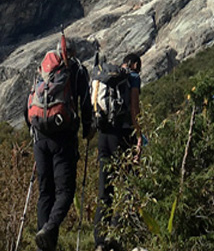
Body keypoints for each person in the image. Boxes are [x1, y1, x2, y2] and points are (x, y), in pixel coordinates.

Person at [26, 38, 93, 251]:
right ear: (73, 52)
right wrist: (88, 129)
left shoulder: (43, 71)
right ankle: (48, 229)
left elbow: (27, 107)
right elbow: (85, 104)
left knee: (45, 192)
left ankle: (44, 246)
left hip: (40, 138)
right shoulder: (77, 71)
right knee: (65, 191)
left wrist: (34, 129)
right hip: (63, 138)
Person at [94, 52, 143, 251]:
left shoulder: (104, 76)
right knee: (126, 183)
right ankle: (116, 235)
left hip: (103, 135)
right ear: (134, 64)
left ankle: (99, 241)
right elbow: (134, 109)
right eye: (139, 66)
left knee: (104, 189)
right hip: (121, 135)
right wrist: (139, 135)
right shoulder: (132, 78)